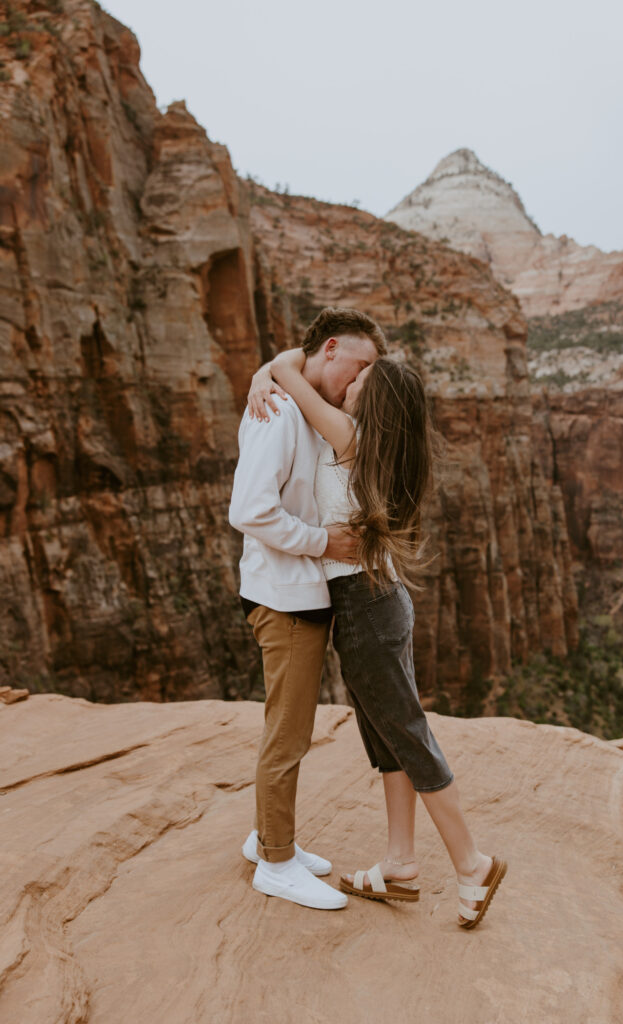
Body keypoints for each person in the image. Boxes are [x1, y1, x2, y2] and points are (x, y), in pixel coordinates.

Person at [248, 345, 507, 929]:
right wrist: (264, 377)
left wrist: (263, 376)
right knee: (387, 737)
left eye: (364, 374)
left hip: (367, 609)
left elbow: (292, 368)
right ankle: (400, 861)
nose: (352, 378)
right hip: (383, 601)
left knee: (406, 735)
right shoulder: (387, 446)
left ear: (377, 395)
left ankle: (472, 864)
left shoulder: (351, 434)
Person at [228, 307, 386, 911]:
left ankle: (270, 838)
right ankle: (274, 863)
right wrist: (324, 542)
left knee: (291, 726)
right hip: (283, 597)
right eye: (361, 364)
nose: (363, 379)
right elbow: (249, 509)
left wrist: (274, 368)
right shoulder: (280, 413)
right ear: (330, 348)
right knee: (289, 734)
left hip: (299, 593)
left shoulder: (305, 406)